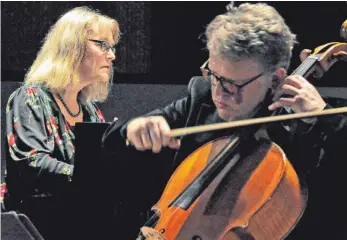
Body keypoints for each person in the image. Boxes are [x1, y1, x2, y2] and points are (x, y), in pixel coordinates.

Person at [102, 2, 347, 239]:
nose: (219, 92)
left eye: (232, 84)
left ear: (275, 79)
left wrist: (328, 121)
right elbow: (109, 141)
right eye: (215, 75)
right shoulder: (200, 100)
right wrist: (134, 129)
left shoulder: (308, 122)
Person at [5, 6, 120, 240]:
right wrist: (86, 179)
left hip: (75, 221)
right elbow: (32, 162)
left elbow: (96, 169)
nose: (112, 56)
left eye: (112, 47)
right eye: (103, 45)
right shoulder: (30, 97)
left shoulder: (89, 111)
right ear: (72, 47)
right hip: (35, 227)